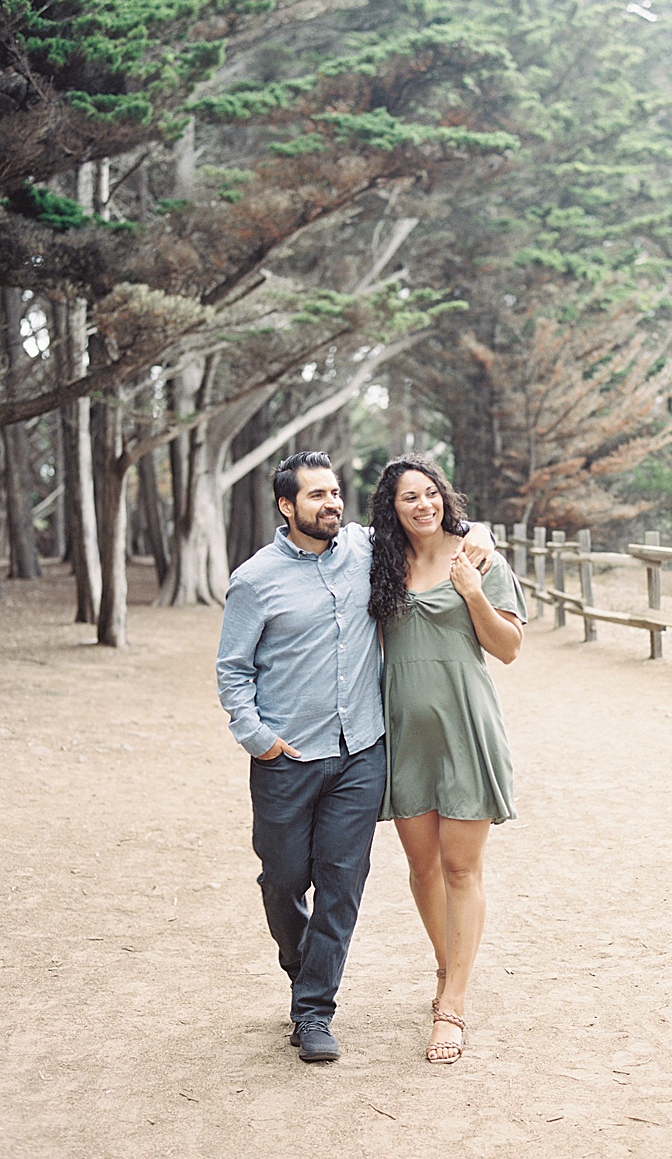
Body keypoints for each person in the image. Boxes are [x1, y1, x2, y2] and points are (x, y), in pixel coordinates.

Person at [215, 451, 491, 1064]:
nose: (331, 504)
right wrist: (256, 735)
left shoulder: (366, 550)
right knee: (283, 880)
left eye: (335, 493)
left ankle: (313, 1010)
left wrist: (482, 536)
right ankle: (303, 965)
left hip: (362, 751)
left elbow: (439, 524)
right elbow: (232, 670)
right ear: (287, 507)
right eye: (316, 496)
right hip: (286, 756)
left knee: (342, 883)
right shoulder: (255, 580)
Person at [367, 455, 523, 1065]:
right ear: (392, 507)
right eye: (408, 497)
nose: (422, 505)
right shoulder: (377, 560)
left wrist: (473, 592)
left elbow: (508, 648)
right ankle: (446, 966)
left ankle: (452, 1005)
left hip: (465, 725)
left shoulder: (479, 558)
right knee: (423, 867)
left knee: (462, 870)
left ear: (444, 496)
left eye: (430, 494)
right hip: (404, 730)